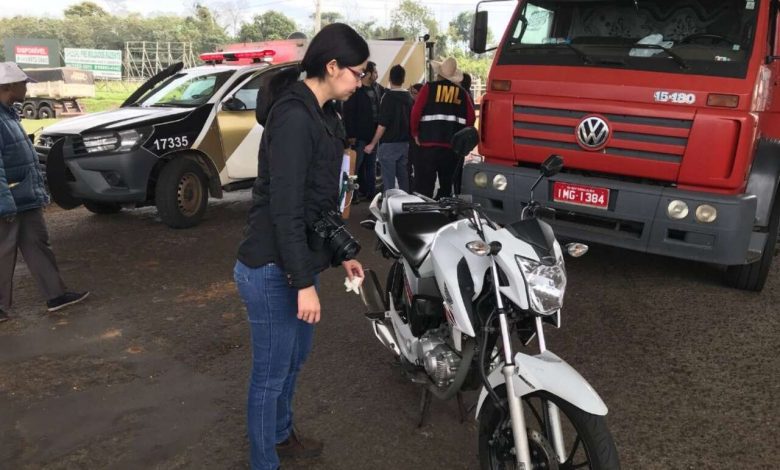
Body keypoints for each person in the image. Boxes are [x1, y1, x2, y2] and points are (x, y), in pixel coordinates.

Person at [234, 23, 367, 470]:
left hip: (296, 263)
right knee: (270, 376)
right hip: (272, 267)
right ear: (332, 66)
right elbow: (286, 211)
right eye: (358, 72)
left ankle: (280, 436)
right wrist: (303, 283)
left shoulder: (325, 114)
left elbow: (318, 202)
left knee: (294, 360)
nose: (361, 81)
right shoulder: (294, 117)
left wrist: (340, 252)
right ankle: (263, 461)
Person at [0, 62, 89, 322]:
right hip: (10, 201)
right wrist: (4, 205)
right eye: (23, 84)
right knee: (4, 253)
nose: (26, 88)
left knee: (38, 245)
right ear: (8, 87)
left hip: (24, 198)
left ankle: (55, 296)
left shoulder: (9, 114)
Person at [410, 57, 475, 199]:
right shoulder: (462, 93)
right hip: (451, 148)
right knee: (446, 184)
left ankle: (423, 212)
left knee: (424, 184)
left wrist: (415, 133)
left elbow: (416, 112)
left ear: (438, 74)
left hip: (428, 145)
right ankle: (443, 213)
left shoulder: (428, 88)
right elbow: (471, 119)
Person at [364, 65, 413, 192]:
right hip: (405, 144)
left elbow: (382, 125)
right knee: (403, 177)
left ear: (390, 78)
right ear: (403, 79)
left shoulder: (387, 97)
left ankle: (389, 207)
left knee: (388, 181)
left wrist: (372, 144)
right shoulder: (409, 98)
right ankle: (405, 205)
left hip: (389, 145)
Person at [343, 61, 381, 201]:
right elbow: (349, 113)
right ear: (369, 73)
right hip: (359, 136)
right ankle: (352, 196)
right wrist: (351, 134)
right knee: (355, 167)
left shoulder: (376, 88)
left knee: (371, 166)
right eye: (375, 72)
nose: (377, 75)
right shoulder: (356, 90)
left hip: (373, 136)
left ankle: (371, 193)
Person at [452, 72, 475, 195]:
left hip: (459, 137)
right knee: (458, 167)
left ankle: (456, 193)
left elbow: (470, 117)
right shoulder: (468, 94)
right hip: (463, 137)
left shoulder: (463, 95)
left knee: (456, 169)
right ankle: (456, 192)